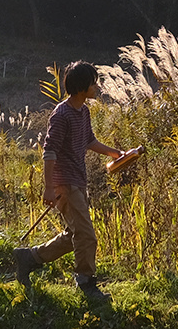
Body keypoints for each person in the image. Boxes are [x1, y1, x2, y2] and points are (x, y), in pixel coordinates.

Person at [14, 60, 124, 296]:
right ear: (82, 87)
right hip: (65, 182)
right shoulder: (61, 115)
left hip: (78, 179)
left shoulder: (83, 111)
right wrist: (48, 188)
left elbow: (89, 141)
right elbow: (49, 151)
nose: (97, 87)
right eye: (93, 83)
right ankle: (86, 282)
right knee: (86, 235)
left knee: (73, 235)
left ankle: (29, 257)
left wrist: (115, 153)